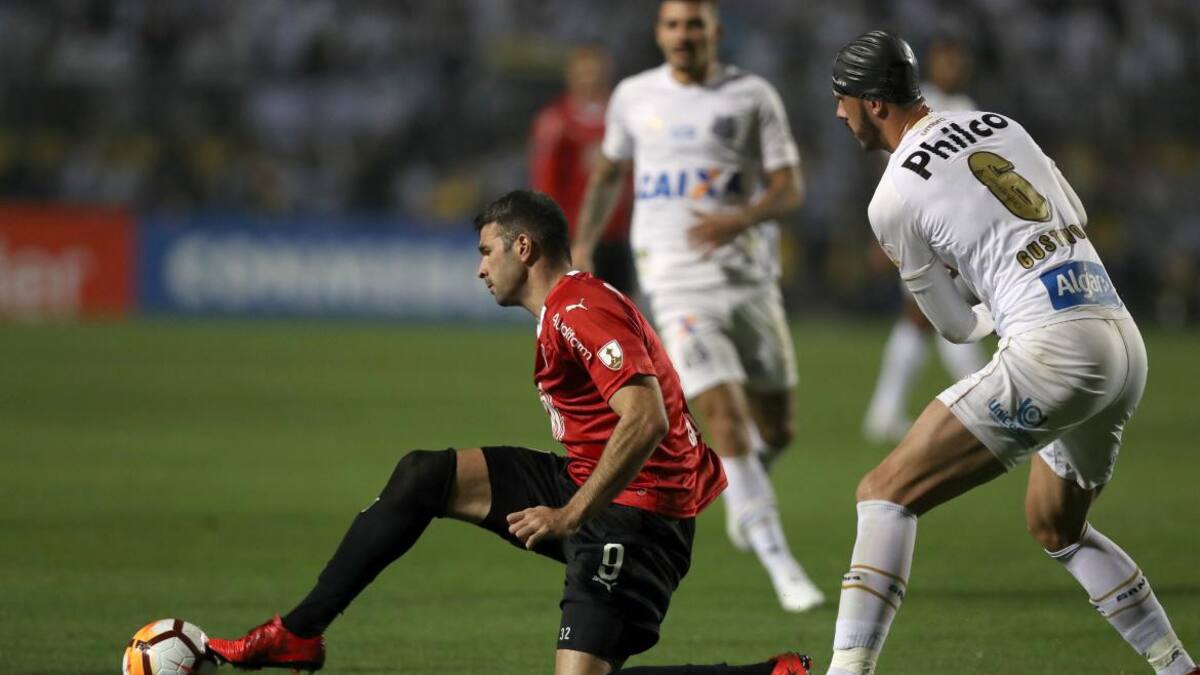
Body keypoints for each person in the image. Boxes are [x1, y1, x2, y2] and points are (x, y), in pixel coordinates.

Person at [207, 190, 809, 675]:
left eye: (486, 251)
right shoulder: (567, 307)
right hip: (595, 482)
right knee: (425, 475)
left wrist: (570, 514)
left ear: (524, 247)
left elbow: (646, 419)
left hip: (639, 515)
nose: (479, 268)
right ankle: (298, 633)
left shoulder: (580, 311)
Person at [823, 30, 1198, 675]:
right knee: (1057, 526)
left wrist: (993, 304)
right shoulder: (1000, 124)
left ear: (874, 104)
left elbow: (952, 327)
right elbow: (1073, 211)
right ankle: (1177, 667)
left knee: (884, 493)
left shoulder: (892, 198)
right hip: (1120, 337)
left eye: (844, 98)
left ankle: (846, 672)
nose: (838, 112)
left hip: (1055, 352)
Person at [571, 0, 822, 613]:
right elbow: (608, 174)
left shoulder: (752, 96)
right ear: (660, 33)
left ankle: (742, 485)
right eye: (673, 25)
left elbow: (789, 186)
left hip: (749, 279)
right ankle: (780, 561)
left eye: (693, 24)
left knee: (777, 428)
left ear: (716, 31)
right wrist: (583, 244)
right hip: (675, 282)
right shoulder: (634, 96)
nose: (683, 34)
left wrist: (740, 218)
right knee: (723, 414)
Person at [861, 36, 987, 444]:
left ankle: (886, 411)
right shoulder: (918, 103)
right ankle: (984, 402)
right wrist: (883, 230)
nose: (952, 67)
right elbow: (891, 167)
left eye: (957, 60)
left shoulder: (966, 106)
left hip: (951, 223)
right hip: (920, 220)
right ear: (930, 64)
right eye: (945, 60)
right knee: (933, 312)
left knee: (925, 315)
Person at [530, 44, 637, 295]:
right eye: (584, 73)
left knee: (623, 311)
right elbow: (544, 181)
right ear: (571, 76)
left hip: (617, 235)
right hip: (573, 237)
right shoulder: (557, 120)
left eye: (596, 73)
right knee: (575, 310)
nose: (590, 79)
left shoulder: (622, 118)